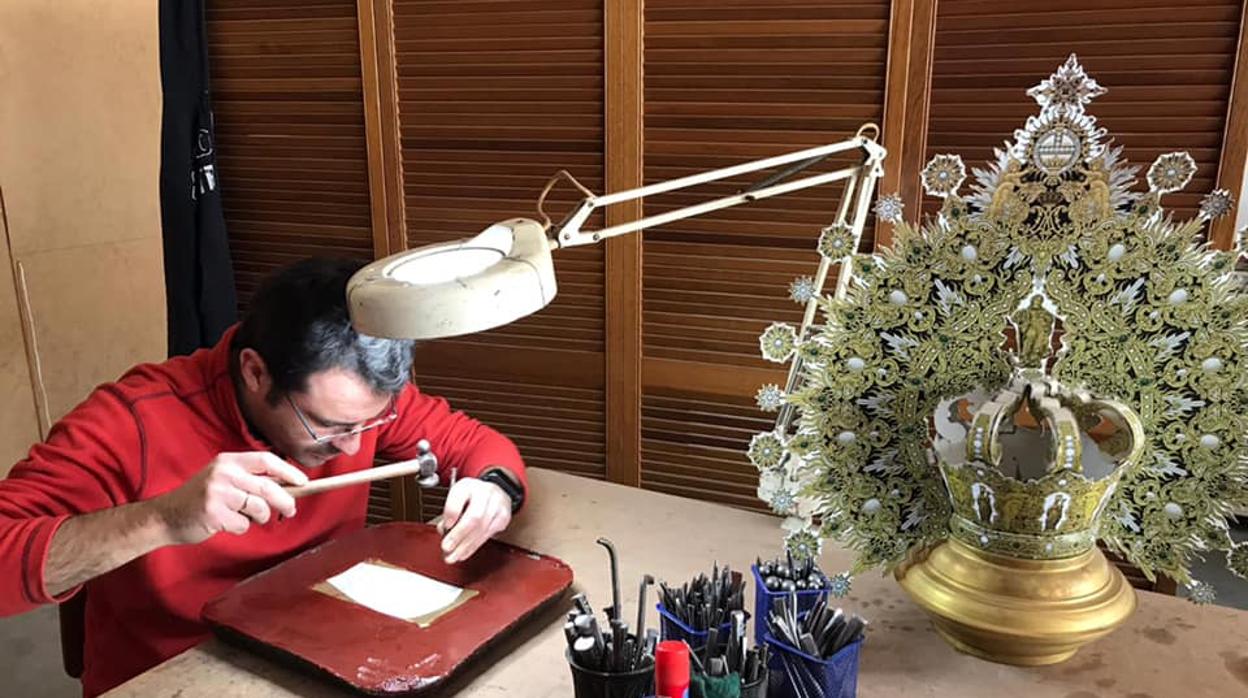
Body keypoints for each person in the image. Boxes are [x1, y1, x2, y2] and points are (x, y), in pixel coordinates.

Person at [0, 257, 527, 696]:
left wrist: (493, 489)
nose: (353, 445)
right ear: (255, 372)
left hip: (317, 655)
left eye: (370, 424)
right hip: (179, 674)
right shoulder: (132, 422)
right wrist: (164, 519)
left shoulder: (359, 405)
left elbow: (475, 445)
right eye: (329, 427)